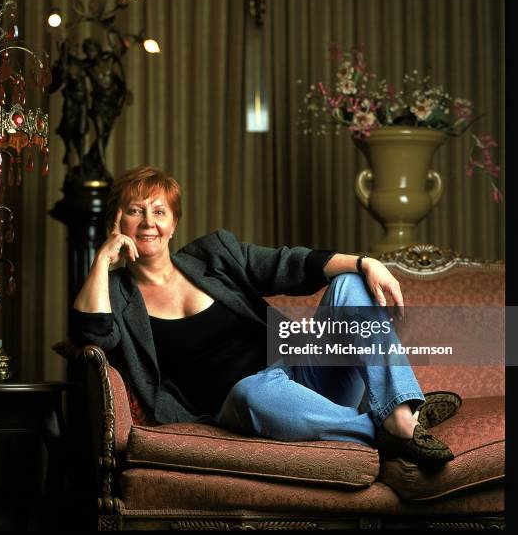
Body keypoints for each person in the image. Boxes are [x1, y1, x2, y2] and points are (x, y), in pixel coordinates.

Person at [72, 166, 460, 468]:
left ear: (174, 222)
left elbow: (288, 263)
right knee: (252, 389)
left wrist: (365, 262)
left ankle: (398, 412)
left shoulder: (215, 256)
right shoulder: (117, 294)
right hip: (251, 401)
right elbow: (91, 336)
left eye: (159, 211)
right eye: (134, 211)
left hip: (304, 374)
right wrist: (103, 259)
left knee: (349, 284)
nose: (148, 222)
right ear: (116, 221)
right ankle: (394, 430)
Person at [81, 37, 127, 174]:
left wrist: (121, 101)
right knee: (101, 133)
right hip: (98, 104)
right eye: (87, 51)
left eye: (92, 50)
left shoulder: (110, 62)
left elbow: (121, 85)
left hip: (111, 105)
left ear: (98, 50)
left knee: (105, 135)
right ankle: (102, 166)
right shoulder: (87, 67)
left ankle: (91, 159)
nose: (90, 54)